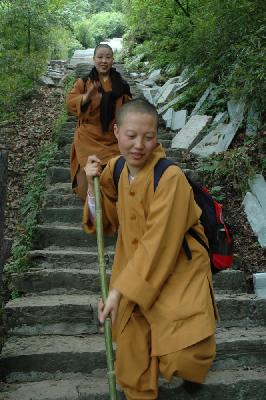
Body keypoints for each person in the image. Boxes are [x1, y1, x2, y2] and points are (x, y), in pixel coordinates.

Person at [83, 99, 219, 400]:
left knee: (185, 354)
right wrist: (92, 187)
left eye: (148, 136)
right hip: (132, 268)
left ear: (157, 136)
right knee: (132, 366)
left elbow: (159, 242)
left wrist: (118, 291)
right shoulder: (116, 168)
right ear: (117, 131)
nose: (139, 145)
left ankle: (188, 375)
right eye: (131, 136)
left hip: (176, 271)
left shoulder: (170, 178)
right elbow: (104, 208)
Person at [66, 43, 132, 201]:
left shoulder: (122, 86)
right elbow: (70, 103)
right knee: (86, 185)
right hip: (87, 140)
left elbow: (130, 113)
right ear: (93, 59)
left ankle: (112, 215)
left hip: (112, 140)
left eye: (108, 57)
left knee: (115, 180)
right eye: (100, 57)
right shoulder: (83, 83)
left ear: (113, 60)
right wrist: (85, 98)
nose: (104, 60)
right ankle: (93, 213)